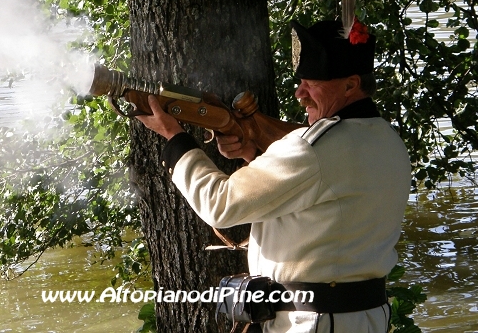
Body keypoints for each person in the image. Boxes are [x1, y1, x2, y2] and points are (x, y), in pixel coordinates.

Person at [136, 18, 411, 333]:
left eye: (312, 81)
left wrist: (174, 138)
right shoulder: (386, 138)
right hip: (358, 318)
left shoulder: (315, 148)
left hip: (313, 323)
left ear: (350, 84)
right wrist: (253, 155)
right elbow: (314, 201)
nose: (300, 93)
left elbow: (218, 205)